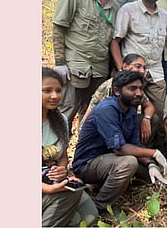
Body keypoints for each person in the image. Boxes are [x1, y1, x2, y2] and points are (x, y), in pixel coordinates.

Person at [72, 70, 167, 215]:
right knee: (129, 163)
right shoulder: (107, 109)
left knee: (151, 178)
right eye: (132, 89)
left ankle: (113, 185)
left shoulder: (130, 110)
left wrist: (151, 164)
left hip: (111, 159)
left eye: (140, 89)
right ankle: (101, 206)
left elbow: (134, 146)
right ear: (117, 91)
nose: (139, 93)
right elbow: (120, 149)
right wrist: (154, 153)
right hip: (88, 164)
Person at [53, 0, 121, 135]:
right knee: (64, 114)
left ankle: (82, 157)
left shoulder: (116, 6)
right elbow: (59, 27)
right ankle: (52, 156)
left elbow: (114, 40)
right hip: (74, 67)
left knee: (90, 116)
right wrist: (60, 63)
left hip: (99, 69)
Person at [42, 67, 98, 227]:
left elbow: (62, 155)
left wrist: (62, 169)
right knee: (70, 198)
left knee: (90, 215)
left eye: (58, 90)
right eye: (47, 90)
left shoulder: (60, 120)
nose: (55, 96)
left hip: (52, 179)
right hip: (43, 186)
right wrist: (48, 189)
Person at [81, 54, 161, 149]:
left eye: (144, 68)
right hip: (108, 125)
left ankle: (141, 149)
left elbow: (149, 106)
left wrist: (146, 119)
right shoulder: (109, 86)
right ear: (125, 66)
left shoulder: (136, 86)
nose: (142, 71)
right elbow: (91, 111)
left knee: (153, 118)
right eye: (138, 66)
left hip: (126, 122)